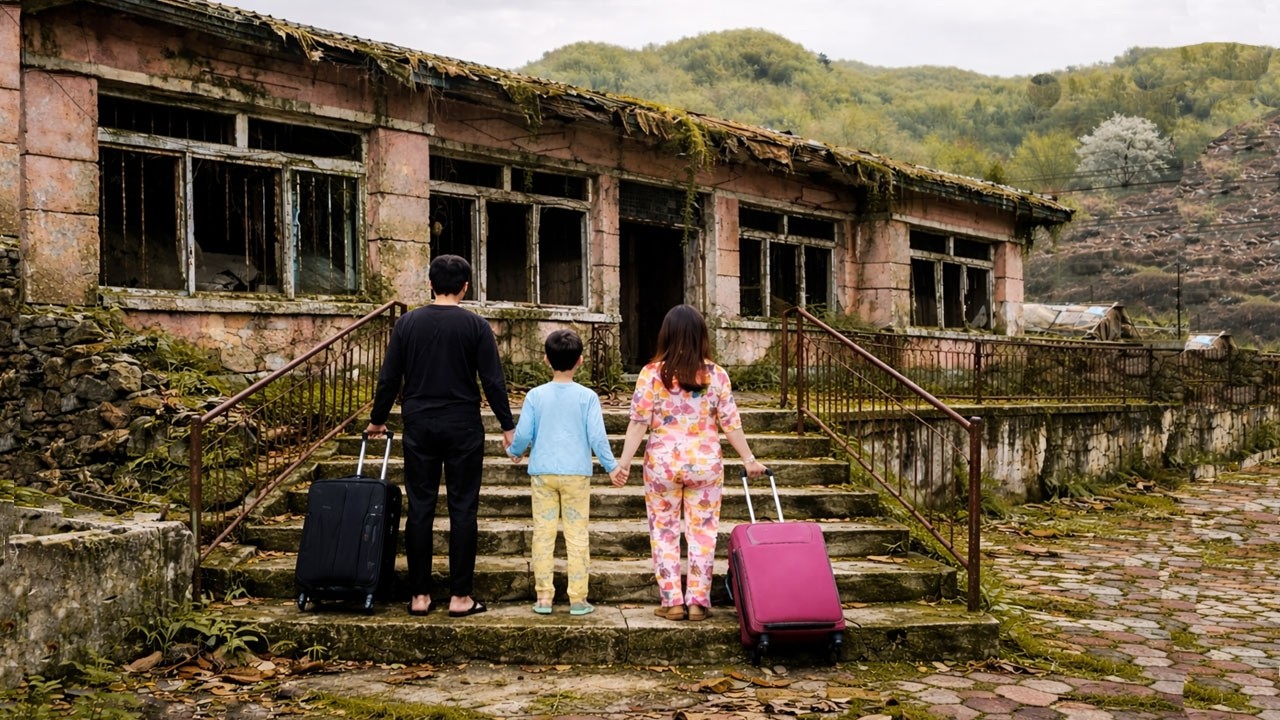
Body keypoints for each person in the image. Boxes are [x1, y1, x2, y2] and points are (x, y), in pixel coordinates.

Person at [365, 254, 515, 619]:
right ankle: (460, 597)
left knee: (420, 508)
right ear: (466, 286)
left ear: (429, 284)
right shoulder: (476, 326)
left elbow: (389, 378)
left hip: (419, 423)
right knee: (463, 509)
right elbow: (492, 381)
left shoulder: (407, 324)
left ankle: (419, 596)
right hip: (463, 423)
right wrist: (508, 426)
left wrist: (377, 420)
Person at [613, 304, 766, 622]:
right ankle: (698, 602)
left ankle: (672, 602)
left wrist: (624, 463)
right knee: (704, 533)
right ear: (701, 336)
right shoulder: (716, 375)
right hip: (705, 465)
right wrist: (749, 459)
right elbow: (731, 424)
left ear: (665, 335)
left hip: (662, 465)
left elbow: (639, 423)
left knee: (663, 531)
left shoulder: (651, 374)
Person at [505, 329, 625, 616]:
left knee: (543, 535)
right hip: (576, 475)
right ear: (580, 361)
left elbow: (523, 434)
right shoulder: (588, 397)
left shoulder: (535, 396)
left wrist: (515, 452)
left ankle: (544, 597)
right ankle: (578, 598)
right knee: (577, 535)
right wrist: (612, 467)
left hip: (543, 473)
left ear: (546, 360)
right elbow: (597, 437)